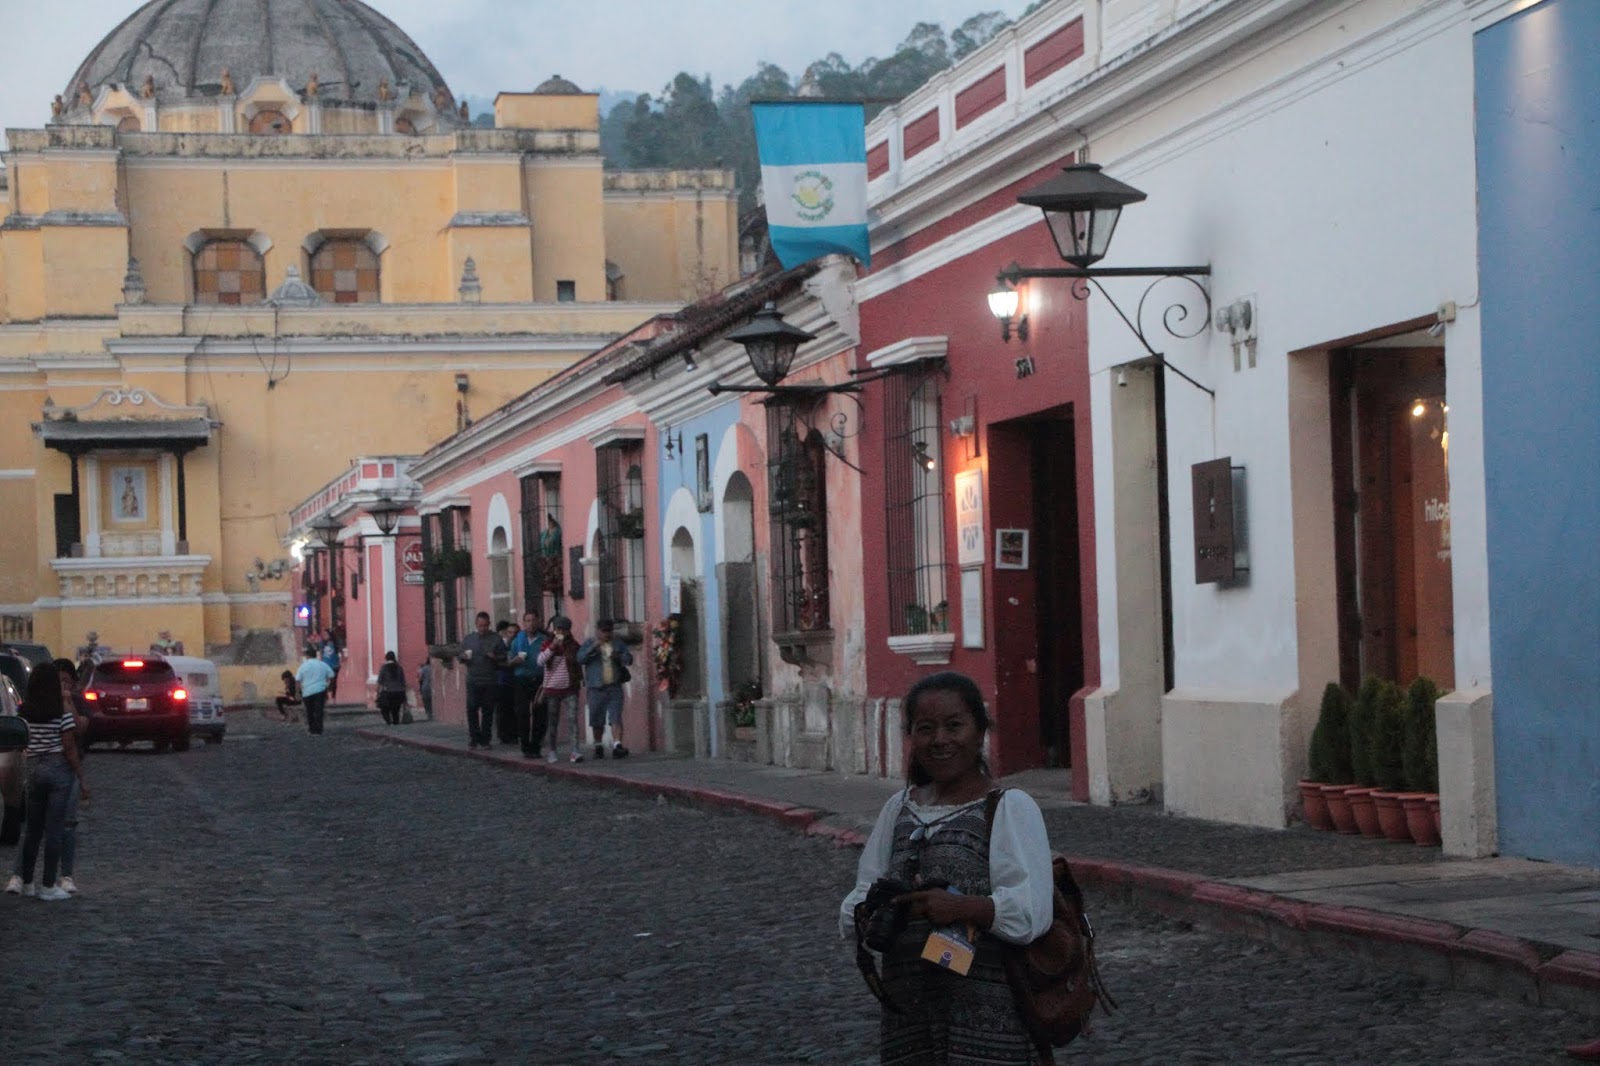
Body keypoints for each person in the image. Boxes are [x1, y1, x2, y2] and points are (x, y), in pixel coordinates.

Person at [840, 671, 1055, 1066]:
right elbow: (862, 892)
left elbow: (1032, 913)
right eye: (926, 729)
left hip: (989, 1020)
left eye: (954, 726)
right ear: (911, 736)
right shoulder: (898, 809)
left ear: (980, 731)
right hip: (909, 1016)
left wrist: (961, 907)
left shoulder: (1008, 808)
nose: (940, 740)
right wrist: (872, 911)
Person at [5, 661, 89, 901]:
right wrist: (81, 778)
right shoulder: (60, 712)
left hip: (33, 770)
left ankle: (27, 882)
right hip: (57, 770)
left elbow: (21, 741)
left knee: (33, 830)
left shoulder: (25, 712)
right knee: (54, 830)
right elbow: (69, 747)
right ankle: (48, 884)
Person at [53, 659, 88, 896]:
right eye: (58, 681)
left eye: (66, 681)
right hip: (45, 767)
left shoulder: (79, 703)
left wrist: (67, 702)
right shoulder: (41, 704)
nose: (62, 685)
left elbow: (78, 729)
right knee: (36, 826)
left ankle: (65, 875)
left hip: (68, 770)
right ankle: (22, 876)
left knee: (67, 824)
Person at [577, 619, 633, 759]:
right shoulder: (590, 643)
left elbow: (628, 659)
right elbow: (579, 659)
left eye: (609, 631)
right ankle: (598, 745)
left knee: (615, 716)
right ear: (598, 631)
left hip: (614, 685)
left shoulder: (617, 643)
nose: (607, 634)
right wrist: (592, 648)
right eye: (604, 631)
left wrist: (618, 656)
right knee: (597, 718)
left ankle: (617, 745)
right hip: (596, 687)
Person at [537, 616, 581, 763]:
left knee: (572, 719)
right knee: (553, 721)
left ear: (568, 631)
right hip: (552, 689)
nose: (559, 632)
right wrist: (552, 647)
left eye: (563, 630)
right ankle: (552, 751)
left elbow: (578, 662)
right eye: (557, 629)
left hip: (570, 688)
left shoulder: (573, 645)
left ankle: (575, 750)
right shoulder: (547, 643)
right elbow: (540, 661)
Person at [458, 611, 505, 749]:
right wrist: (463, 657)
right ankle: (474, 738)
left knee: (488, 711)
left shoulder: (496, 639)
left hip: (490, 680)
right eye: (480, 625)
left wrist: (495, 657)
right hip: (473, 680)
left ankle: (485, 740)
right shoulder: (469, 639)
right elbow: (460, 656)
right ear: (476, 624)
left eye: (485, 625)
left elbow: (504, 656)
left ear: (489, 624)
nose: (483, 628)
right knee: (472, 709)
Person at [509, 611, 548, 758]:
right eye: (527, 620)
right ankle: (525, 746)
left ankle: (536, 746)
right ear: (524, 623)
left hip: (539, 679)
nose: (530, 624)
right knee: (522, 714)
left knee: (540, 714)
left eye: (533, 620)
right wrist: (515, 661)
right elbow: (509, 661)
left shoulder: (544, 640)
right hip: (521, 679)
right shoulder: (517, 640)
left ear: (538, 622)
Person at [295, 645, 335, 735]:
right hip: (320, 690)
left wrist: (297, 692)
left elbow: (298, 680)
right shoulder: (323, 664)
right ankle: (319, 729)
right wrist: (329, 686)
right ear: (315, 655)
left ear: (307, 656)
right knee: (319, 710)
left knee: (310, 711)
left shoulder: (303, 666)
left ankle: (312, 729)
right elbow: (332, 675)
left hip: (307, 692)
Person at [494, 620, 519, 744]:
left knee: (515, 709)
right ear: (505, 633)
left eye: (515, 633)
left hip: (516, 681)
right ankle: (503, 735)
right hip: (502, 681)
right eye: (510, 632)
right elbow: (495, 662)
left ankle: (514, 734)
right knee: (502, 710)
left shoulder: (519, 645)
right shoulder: (500, 646)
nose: (512, 635)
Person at [376, 652, 407, 726]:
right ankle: (396, 723)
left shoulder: (384, 668)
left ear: (386, 658)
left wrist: (377, 692)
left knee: (384, 709)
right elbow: (403, 682)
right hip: (399, 692)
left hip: (388, 692)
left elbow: (379, 682)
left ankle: (388, 722)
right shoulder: (399, 668)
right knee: (396, 710)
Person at [319, 631, 342, 700]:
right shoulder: (322, 644)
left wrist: (340, 661)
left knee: (334, 681)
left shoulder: (335, 643)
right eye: (324, 635)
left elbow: (340, 653)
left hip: (334, 665)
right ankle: (326, 695)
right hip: (325, 665)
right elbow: (321, 654)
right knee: (325, 681)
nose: (324, 636)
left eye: (326, 634)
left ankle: (333, 696)